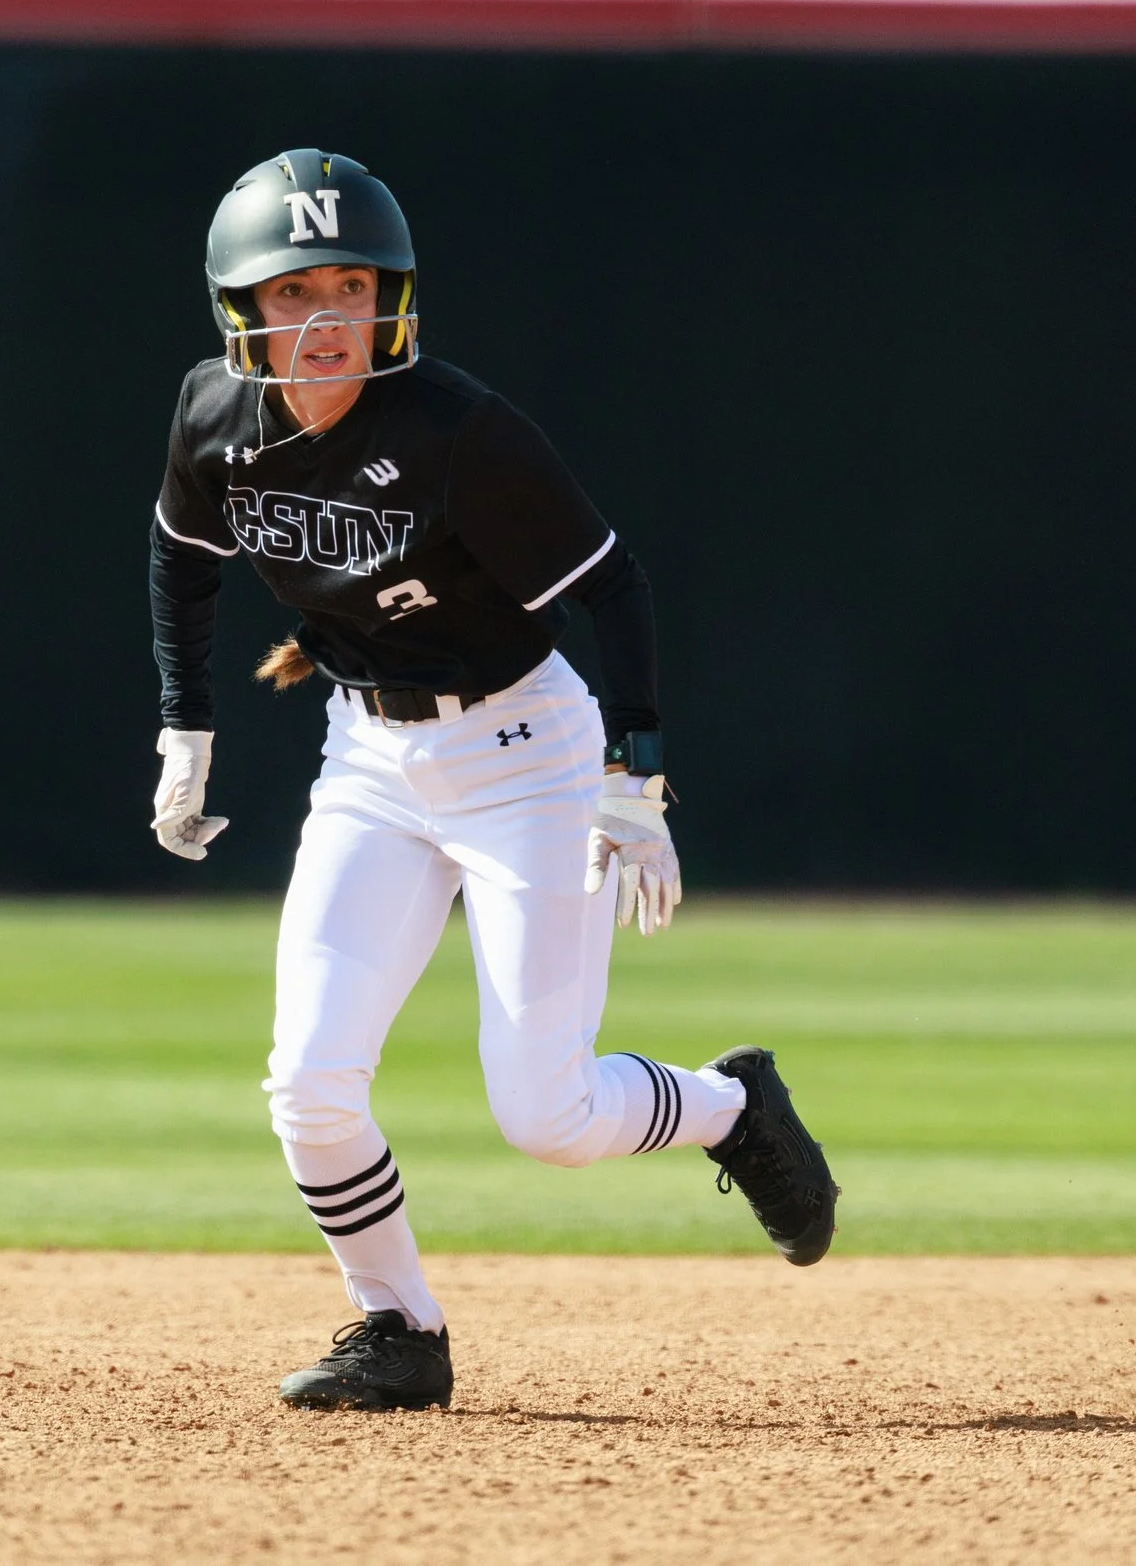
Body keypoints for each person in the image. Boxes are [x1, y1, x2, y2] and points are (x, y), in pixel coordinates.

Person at [147, 149, 838, 1412]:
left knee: (550, 1113)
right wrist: (185, 727)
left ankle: (731, 1106)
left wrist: (639, 769)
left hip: (529, 757)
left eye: (349, 286)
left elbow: (609, 583)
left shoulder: (455, 429)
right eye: (293, 293)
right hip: (367, 758)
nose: (326, 320)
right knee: (305, 1081)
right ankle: (399, 1326)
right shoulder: (212, 417)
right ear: (242, 312)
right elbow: (180, 555)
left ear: (390, 299)